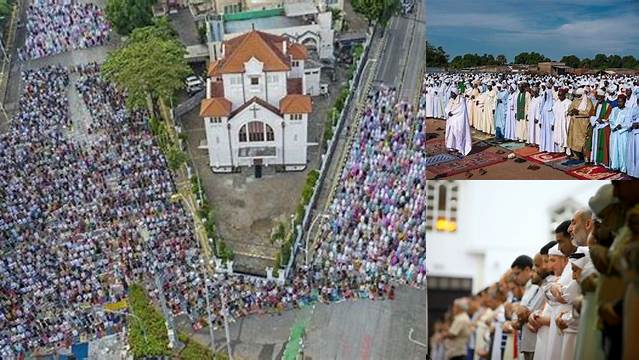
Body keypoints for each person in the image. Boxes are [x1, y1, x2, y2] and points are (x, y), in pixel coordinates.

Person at [567, 88, 594, 160]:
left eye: (579, 95)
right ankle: (576, 155)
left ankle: (586, 157)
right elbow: (569, 109)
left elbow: (589, 112)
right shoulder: (575, 100)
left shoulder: (588, 101)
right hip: (574, 123)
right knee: (573, 139)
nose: (578, 97)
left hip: (583, 123)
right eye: (577, 95)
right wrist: (571, 111)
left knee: (583, 140)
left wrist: (578, 112)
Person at [609, 94, 632, 173]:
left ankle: (623, 168)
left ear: (624, 102)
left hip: (623, 134)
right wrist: (615, 126)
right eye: (618, 102)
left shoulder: (628, 110)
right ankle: (615, 166)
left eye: (621, 102)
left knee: (622, 151)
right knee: (614, 149)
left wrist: (621, 126)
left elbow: (629, 123)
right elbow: (611, 119)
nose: (619, 103)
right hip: (614, 132)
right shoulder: (614, 109)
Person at [445, 88, 472, 156]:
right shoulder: (451, 100)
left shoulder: (461, 100)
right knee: (451, 133)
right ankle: (452, 147)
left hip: (458, 120)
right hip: (451, 120)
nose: (451, 95)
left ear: (455, 94)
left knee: (459, 134)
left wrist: (452, 113)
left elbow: (460, 110)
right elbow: (447, 108)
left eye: (452, 93)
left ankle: (461, 149)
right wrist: (448, 112)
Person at [553, 89, 573, 154]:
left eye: (561, 95)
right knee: (559, 135)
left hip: (566, 122)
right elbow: (554, 112)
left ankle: (568, 152)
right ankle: (561, 150)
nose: (559, 97)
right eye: (558, 95)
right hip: (558, 122)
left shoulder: (568, 102)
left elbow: (569, 112)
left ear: (564, 95)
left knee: (566, 135)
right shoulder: (557, 102)